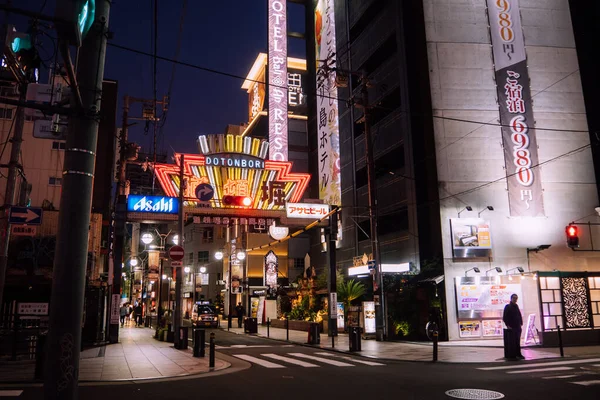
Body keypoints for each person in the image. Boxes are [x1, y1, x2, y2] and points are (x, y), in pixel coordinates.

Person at [503, 294, 524, 360]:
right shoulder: (508, 307)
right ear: (511, 298)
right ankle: (513, 354)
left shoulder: (516, 306)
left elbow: (519, 315)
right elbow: (505, 317)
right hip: (512, 327)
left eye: (516, 298)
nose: (515, 300)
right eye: (514, 298)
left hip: (517, 326)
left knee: (517, 341)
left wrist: (521, 323)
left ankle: (518, 353)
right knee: (512, 341)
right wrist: (508, 325)